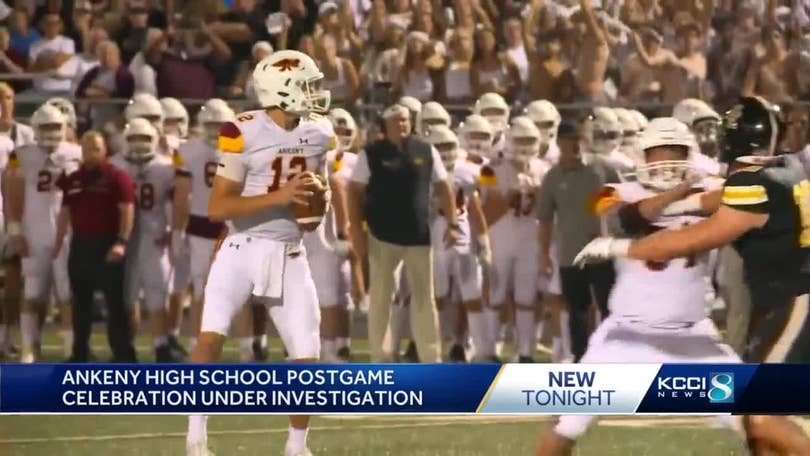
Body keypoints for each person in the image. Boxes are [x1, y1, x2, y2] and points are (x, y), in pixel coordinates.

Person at [573, 97, 810, 455]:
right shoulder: (785, 167)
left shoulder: (750, 183)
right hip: (781, 303)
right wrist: (678, 204)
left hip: (794, 304)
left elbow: (686, 240)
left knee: (759, 415)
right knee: (758, 429)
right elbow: (720, 199)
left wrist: (616, 248)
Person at [535, 117, 741, 456]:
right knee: (563, 424)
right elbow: (619, 215)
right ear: (643, 157)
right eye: (657, 153)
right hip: (625, 332)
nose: (664, 161)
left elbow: (735, 199)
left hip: (693, 334)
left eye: (673, 151)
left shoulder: (709, 191)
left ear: (688, 154)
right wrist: (680, 199)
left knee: (757, 419)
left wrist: (693, 193)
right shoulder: (620, 190)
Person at [185, 50, 334, 456]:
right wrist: (280, 196)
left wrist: (316, 206)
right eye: (306, 85)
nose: (314, 93)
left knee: (307, 352)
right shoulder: (242, 130)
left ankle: (296, 446)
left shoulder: (320, 132)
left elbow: (319, 190)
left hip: (289, 251)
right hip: (241, 248)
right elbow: (218, 207)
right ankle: (195, 437)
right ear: (283, 90)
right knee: (211, 338)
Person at [347, 103, 457, 363]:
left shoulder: (425, 150)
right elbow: (354, 192)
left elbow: (444, 187)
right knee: (381, 299)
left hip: (418, 236)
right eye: (397, 121)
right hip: (382, 235)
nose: (403, 125)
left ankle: (431, 357)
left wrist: (452, 223)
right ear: (386, 126)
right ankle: (381, 356)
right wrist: (357, 233)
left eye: (406, 120)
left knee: (424, 299)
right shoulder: (371, 153)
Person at [54, 131, 138, 363]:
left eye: (96, 148)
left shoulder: (117, 176)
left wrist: (122, 242)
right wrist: (58, 241)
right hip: (81, 246)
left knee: (115, 305)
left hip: (108, 244)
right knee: (80, 304)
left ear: (105, 150)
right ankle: (79, 353)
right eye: (86, 148)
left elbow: (127, 210)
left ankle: (122, 354)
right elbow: (65, 211)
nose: (90, 153)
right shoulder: (74, 178)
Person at [6, 104, 81, 363]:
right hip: (34, 230)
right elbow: (11, 191)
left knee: (67, 293)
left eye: (55, 126)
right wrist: (15, 230)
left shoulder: (76, 152)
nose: (50, 132)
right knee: (33, 292)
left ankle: (72, 347)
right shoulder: (21, 154)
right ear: (36, 129)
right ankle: (29, 346)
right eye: (46, 126)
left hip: (68, 233)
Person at [537, 119, 616, 362]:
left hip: (603, 251)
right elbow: (545, 219)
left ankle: (614, 354)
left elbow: (623, 197)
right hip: (571, 253)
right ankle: (581, 357)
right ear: (559, 143)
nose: (575, 145)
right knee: (577, 310)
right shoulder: (552, 177)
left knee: (609, 307)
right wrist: (543, 256)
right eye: (570, 141)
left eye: (578, 140)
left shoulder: (601, 167)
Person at [111, 118, 184, 363]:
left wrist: (172, 229)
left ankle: (161, 346)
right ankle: (126, 348)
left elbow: (177, 201)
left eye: (144, 138)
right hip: (125, 238)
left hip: (154, 237)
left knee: (156, 294)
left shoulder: (166, 167)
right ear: (125, 140)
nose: (139, 144)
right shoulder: (115, 165)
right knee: (126, 297)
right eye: (134, 138)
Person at [479, 117, 547, 362]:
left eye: (530, 139)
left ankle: (526, 352)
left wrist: (538, 194)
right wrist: (508, 197)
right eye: (521, 139)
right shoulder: (491, 169)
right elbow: (484, 212)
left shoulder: (542, 168)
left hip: (529, 240)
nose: (526, 145)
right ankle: (489, 349)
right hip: (500, 239)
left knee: (526, 298)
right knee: (495, 296)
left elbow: (547, 211)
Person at [172, 99, 234, 356]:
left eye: (218, 125)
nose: (215, 130)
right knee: (209, 289)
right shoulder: (242, 150)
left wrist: (177, 230)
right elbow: (182, 195)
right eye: (212, 125)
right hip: (226, 224)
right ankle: (218, 344)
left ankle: (204, 342)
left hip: (206, 224)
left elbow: (182, 196)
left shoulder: (187, 150)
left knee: (204, 289)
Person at [303, 108, 362, 362]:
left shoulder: (355, 161)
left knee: (341, 295)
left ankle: (339, 347)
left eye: (345, 132)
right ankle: (327, 351)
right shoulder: (316, 156)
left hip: (334, 233)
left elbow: (349, 192)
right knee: (325, 294)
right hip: (322, 231)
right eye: (335, 131)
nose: (340, 136)